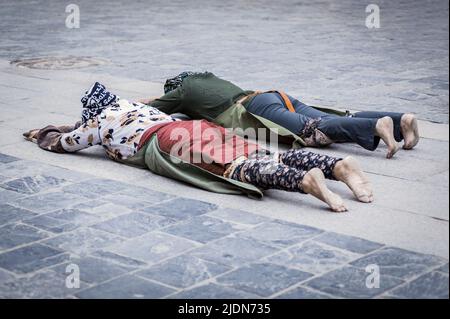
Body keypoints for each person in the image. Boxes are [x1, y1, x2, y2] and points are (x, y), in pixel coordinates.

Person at [23, 82, 375, 213]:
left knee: (233, 168)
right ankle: (336, 168)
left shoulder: (98, 123)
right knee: (260, 154)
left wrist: (46, 132)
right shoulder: (138, 107)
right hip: (188, 127)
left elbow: (66, 144)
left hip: (167, 142)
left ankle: (304, 182)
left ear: (91, 114)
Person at [142, 71, 419, 159]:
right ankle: (400, 121)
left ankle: (375, 126)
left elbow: (153, 109)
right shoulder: (209, 78)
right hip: (273, 96)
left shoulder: (183, 91)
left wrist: (155, 99)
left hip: (259, 109)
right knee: (330, 118)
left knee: (313, 131)